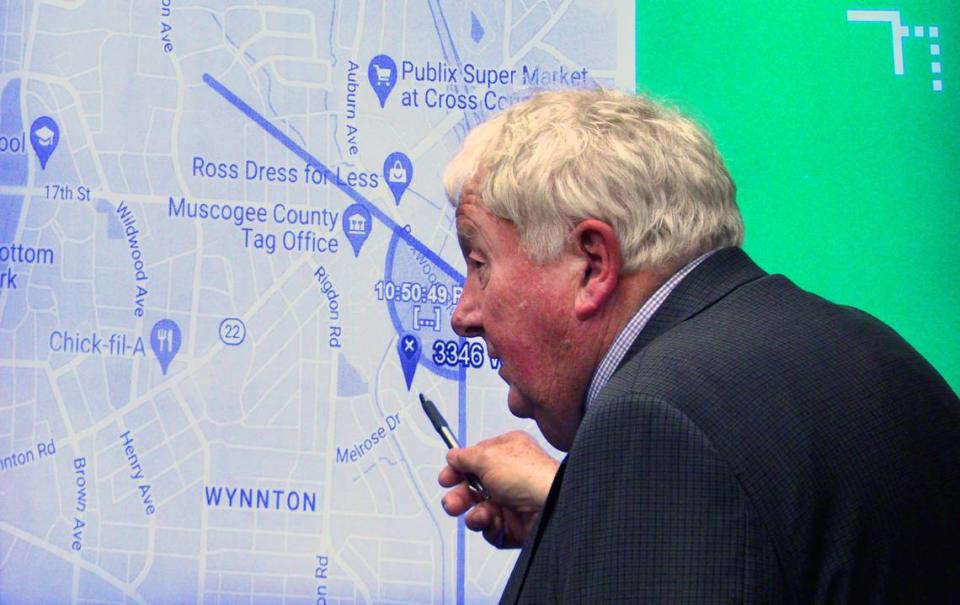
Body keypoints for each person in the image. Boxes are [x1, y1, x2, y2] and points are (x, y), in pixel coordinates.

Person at [436, 88, 960, 603]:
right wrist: (585, 518)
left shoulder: (654, 420)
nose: (464, 315)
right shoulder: (871, 349)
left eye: (479, 263)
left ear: (592, 265)